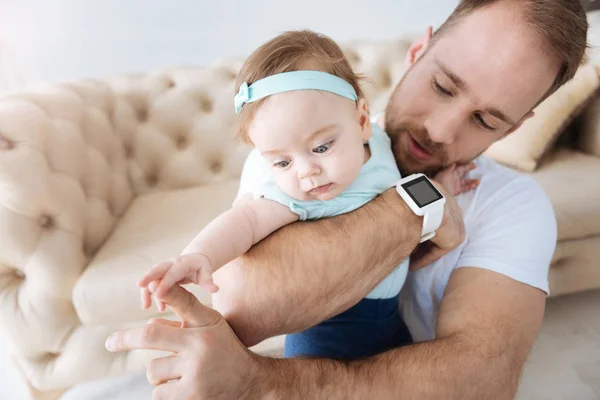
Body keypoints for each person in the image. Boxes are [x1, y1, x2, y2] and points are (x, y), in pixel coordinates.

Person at [105, 0, 588, 398]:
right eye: (442, 86)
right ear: (416, 52)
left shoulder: (515, 206)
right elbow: (245, 306)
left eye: (486, 121)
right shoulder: (304, 141)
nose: (441, 130)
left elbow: (483, 380)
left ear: (516, 127)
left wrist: (258, 382)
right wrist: (420, 201)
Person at [137, 30, 478, 360]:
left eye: (320, 147)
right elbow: (246, 221)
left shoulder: (379, 140)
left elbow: (403, 186)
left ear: (361, 121)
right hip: (326, 327)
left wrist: (443, 186)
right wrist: (200, 256)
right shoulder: (295, 196)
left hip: (390, 315)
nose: (305, 172)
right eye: (282, 161)